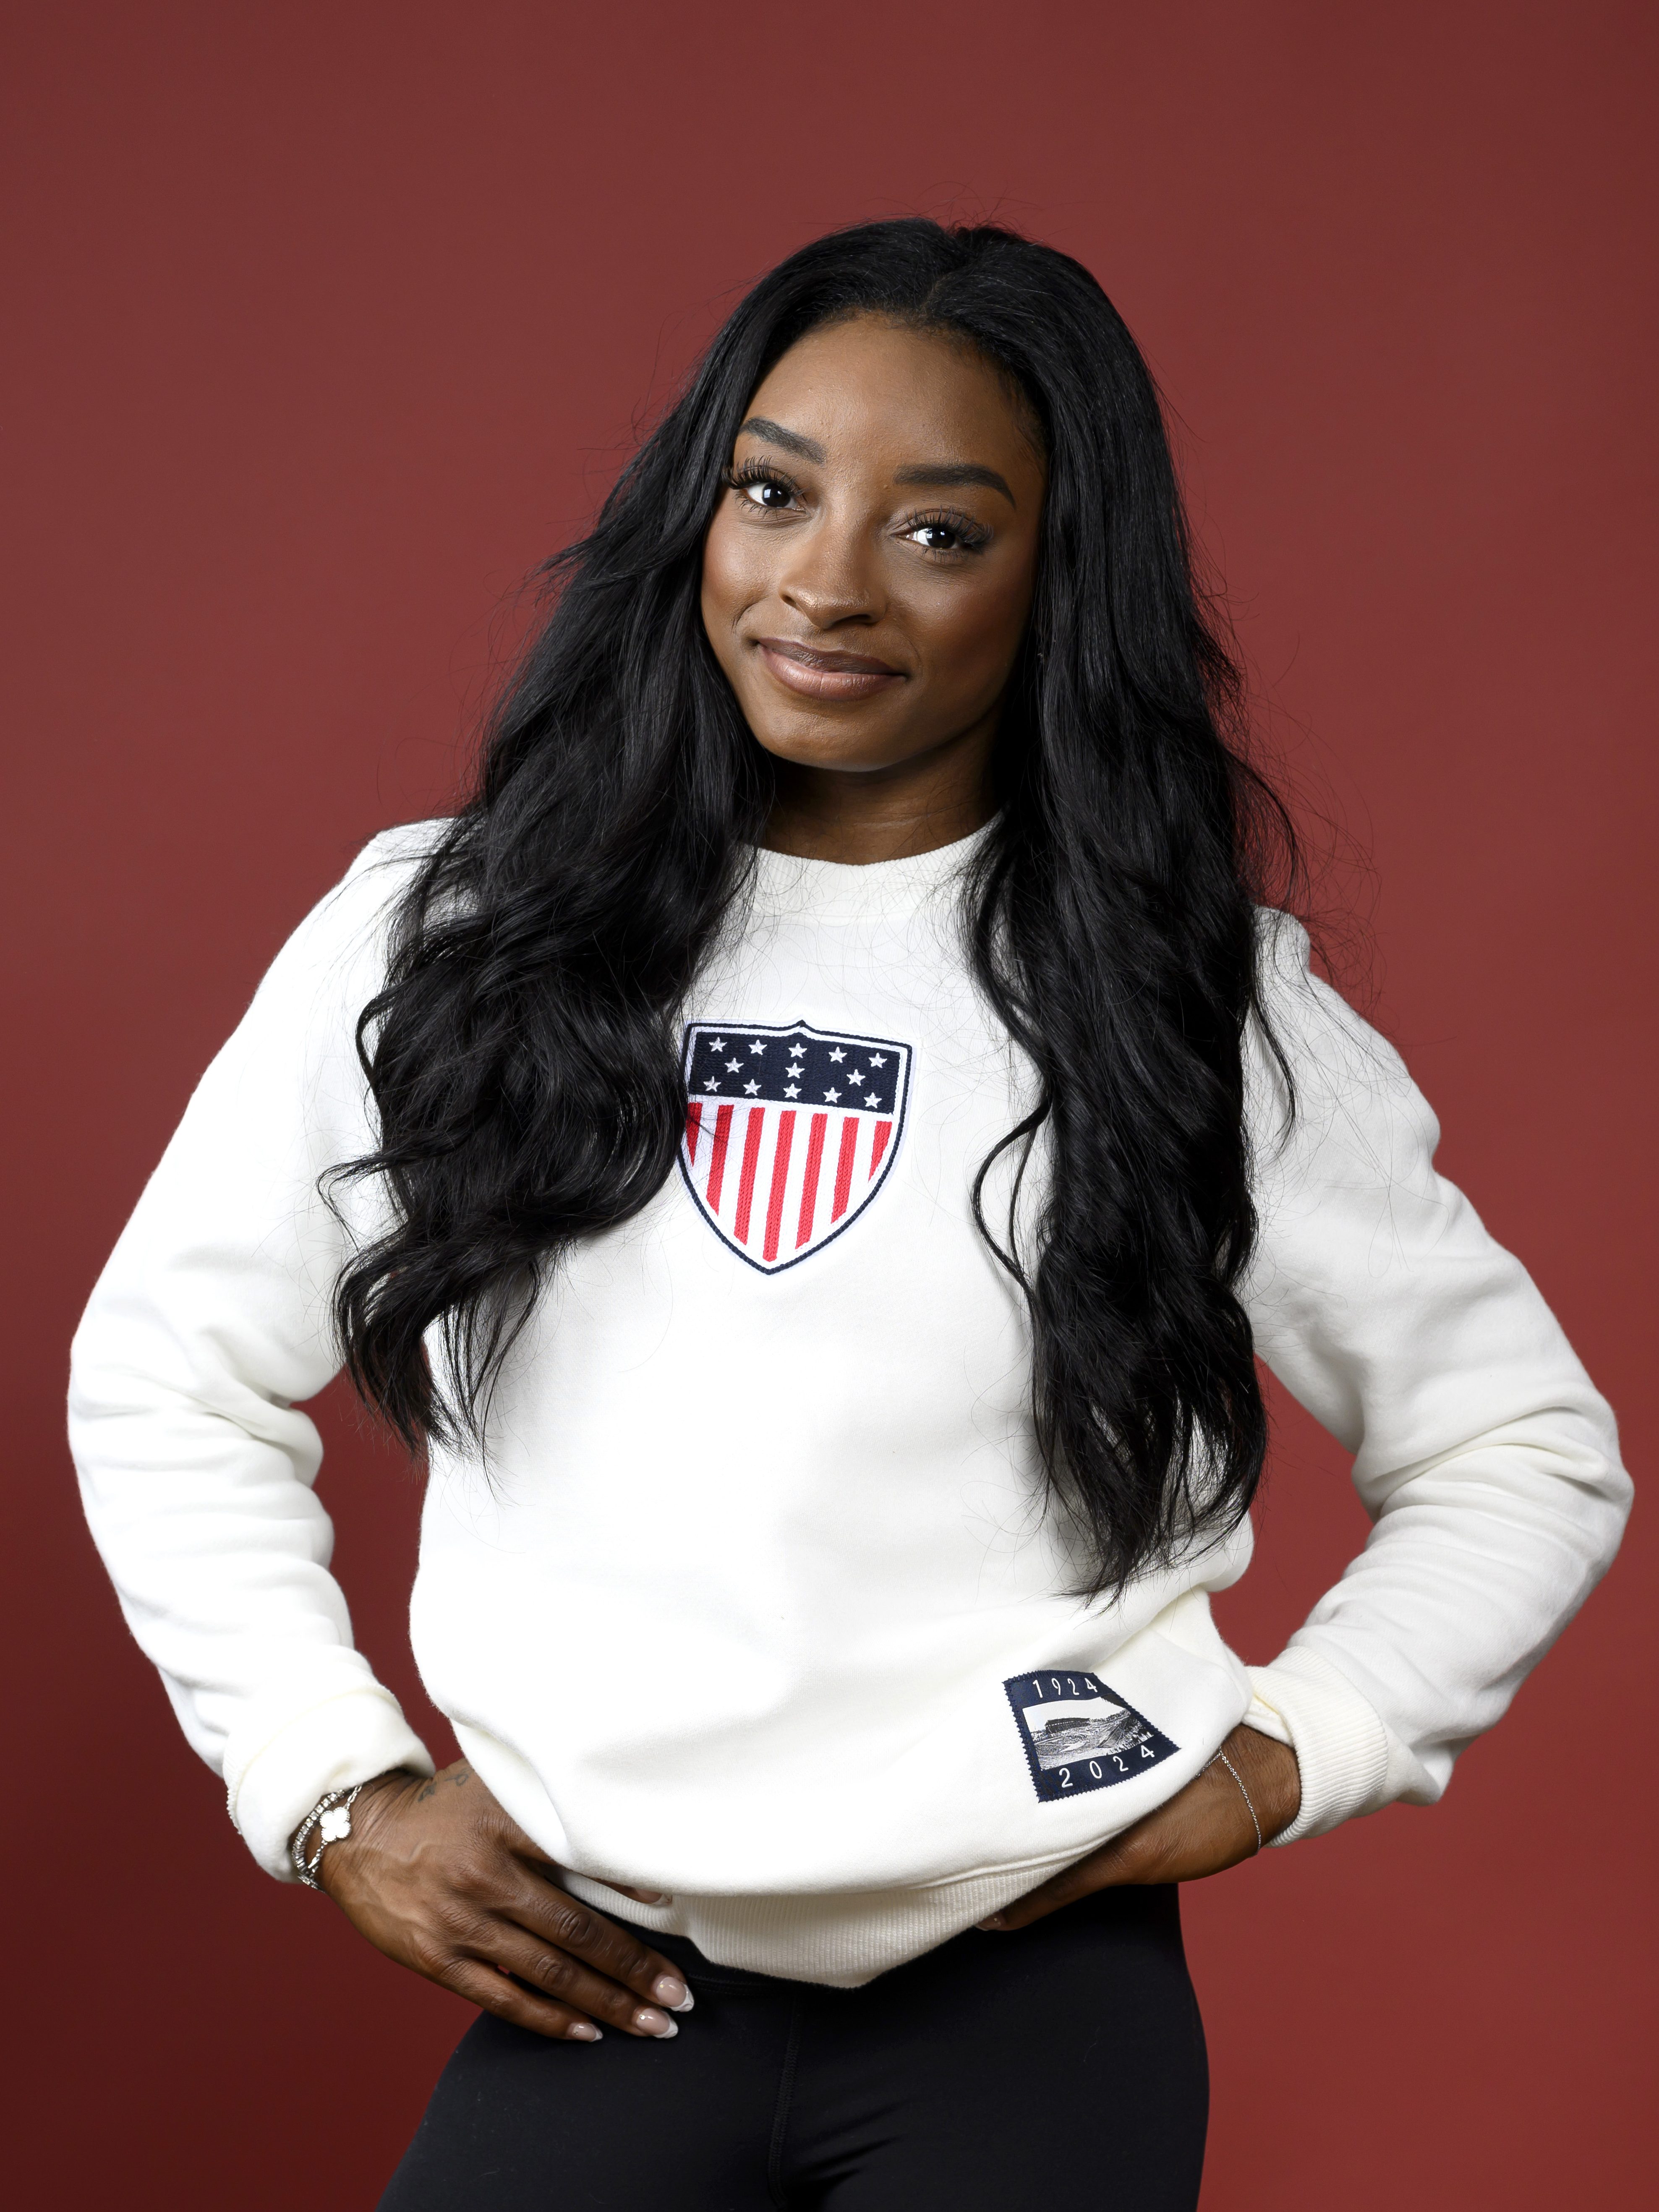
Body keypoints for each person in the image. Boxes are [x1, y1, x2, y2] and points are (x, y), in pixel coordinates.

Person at [70, 219, 1629, 2211]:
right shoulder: (447, 932)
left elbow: (1520, 1445)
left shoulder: (1188, 1003)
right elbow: (166, 1371)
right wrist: (330, 1785)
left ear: (1056, 580)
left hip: (1030, 2020)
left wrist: (1295, 1745)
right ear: (695, 513)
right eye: (773, 491)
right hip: (599, 1984)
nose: (820, 579)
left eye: (940, 529)